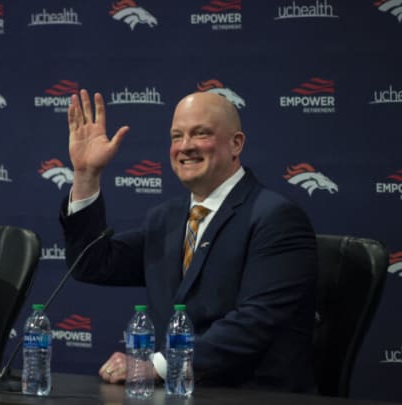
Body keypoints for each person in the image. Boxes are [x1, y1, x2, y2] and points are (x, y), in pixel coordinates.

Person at [60, 90, 318, 392]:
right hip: (175, 394)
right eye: (176, 136)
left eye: (201, 134)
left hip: (248, 394)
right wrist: (86, 174)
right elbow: (92, 264)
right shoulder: (166, 219)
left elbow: (256, 322)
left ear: (236, 144)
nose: (185, 147)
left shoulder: (275, 218)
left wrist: (158, 366)